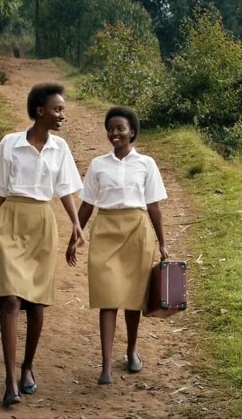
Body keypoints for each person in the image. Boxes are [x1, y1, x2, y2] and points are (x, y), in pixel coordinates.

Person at [0, 83, 85, 407]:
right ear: (40, 110)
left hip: (42, 225)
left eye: (62, 109)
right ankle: (10, 380)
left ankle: (27, 367)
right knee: (9, 300)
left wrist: (76, 225)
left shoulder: (60, 148)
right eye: (58, 109)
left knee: (37, 304)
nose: (62, 115)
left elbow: (65, 190)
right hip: (10, 221)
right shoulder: (10, 144)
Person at [66, 106, 168, 385]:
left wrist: (163, 244)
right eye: (111, 128)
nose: (115, 133)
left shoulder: (146, 164)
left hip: (137, 231)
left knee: (133, 300)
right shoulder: (99, 164)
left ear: (132, 132)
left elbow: (154, 207)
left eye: (120, 128)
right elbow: (87, 204)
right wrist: (75, 237)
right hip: (106, 232)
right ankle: (106, 365)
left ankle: (132, 351)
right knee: (107, 298)